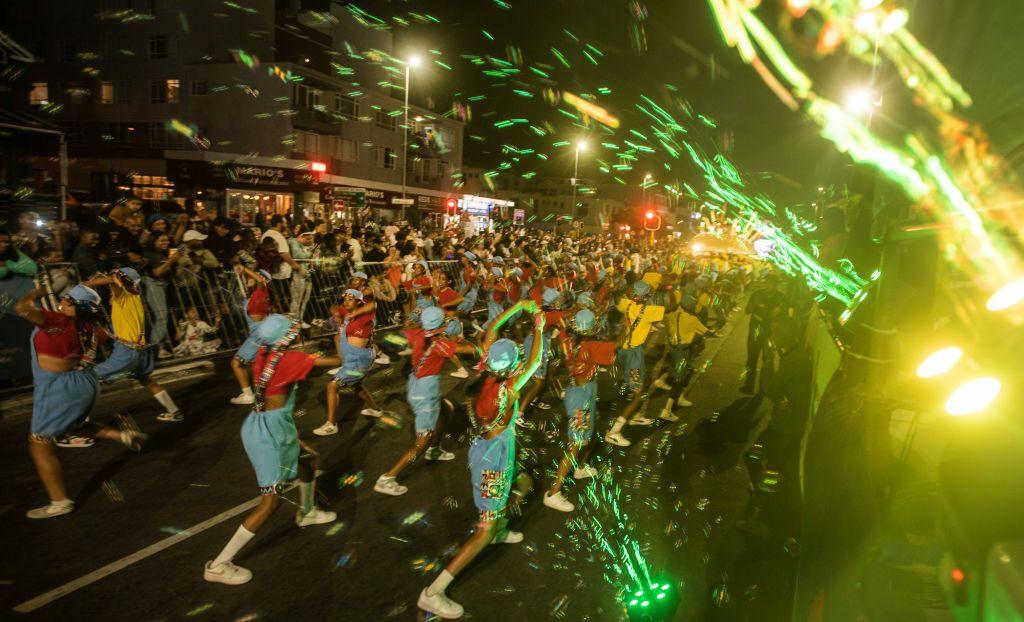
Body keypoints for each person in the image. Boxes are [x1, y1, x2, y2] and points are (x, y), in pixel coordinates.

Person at [417, 302, 545, 619]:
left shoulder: (489, 373)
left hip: (490, 447)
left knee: (516, 483)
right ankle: (433, 592)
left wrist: (519, 307)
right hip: (494, 459)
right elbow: (537, 359)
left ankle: (499, 528)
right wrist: (538, 327)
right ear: (511, 367)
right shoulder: (510, 390)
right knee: (482, 530)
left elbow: (493, 328)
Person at [203, 315, 339, 585]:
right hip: (269, 435)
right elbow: (339, 361)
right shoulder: (291, 360)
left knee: (308, 461)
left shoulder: (266, 353)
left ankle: (308, 511)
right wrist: (345, 337)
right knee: (270, 502)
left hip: (266, 423)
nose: (296, 332)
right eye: (292, 330)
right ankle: (218, 565)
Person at [15, 283, 146, 519]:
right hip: (87, 382)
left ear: (77, 306)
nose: (62, 301)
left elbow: (22, 308)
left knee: (39, 442)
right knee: (75, 426)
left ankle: (59, 501)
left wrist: (36, 292)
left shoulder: (58, 322)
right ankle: (123, 436)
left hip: (59, 387)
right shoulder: (91, 327)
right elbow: (111, 337)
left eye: (67, 299)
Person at [374, 307, 477, 496]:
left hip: (417, 384)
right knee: (422, 440)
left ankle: (435, 450)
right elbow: (468, 349)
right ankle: (388, 478)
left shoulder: (417, 333)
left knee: (447, 409)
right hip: (425, 393)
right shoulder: (439, 344)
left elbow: (392, 337)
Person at [86, 267, 184, 422]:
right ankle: (174, 411)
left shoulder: (123, 296)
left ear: (121, 282)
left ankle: (79, 420)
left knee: (85, 377)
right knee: (147, 380)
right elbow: (115, 287)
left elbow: (113, 283)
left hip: (126, 352)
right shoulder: (135, 296)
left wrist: (91, 282)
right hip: (142, 352)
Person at [543, 309, 616, 513]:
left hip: (582, 390)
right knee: (575, 444)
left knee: (592, 428)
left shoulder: (567, 339)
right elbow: (617, 348)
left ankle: (581, 468)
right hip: (581, 397)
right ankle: (554, 492)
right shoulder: (591, 346)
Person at [604, 279, 667, 447]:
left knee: (640, 383)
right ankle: (614, 431)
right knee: (637, 392)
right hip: (633, 355)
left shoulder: (628, 305)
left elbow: (618, 299)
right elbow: (671, 306)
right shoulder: (648, 311)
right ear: (647, 295)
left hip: (624, 351)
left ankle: (635, 415)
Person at [313, 288, 382, 436]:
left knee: (332, 386)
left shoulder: (365, 314)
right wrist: (337, 314)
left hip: (359, 361)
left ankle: (331, 424)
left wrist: (355, 313)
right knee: (357, 385)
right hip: (352, 360)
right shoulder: (345, 313)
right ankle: (375, 410)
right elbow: (335, 309)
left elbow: (374, 304)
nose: (346, 301)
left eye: (351, 299)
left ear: (359, 301)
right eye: (345, 299)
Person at [230, 265, 274, 405]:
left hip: (257, 336)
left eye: (252, 277)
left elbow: (261, 281)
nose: (249, 278)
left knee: (236, 363)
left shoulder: (261, 291)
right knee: (254, 365)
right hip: (262, 334)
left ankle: (248, 395)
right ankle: (267, 388)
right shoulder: (256, 295)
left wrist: (244, 269)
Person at [741, 273, 785, 394]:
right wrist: (754, 305)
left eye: (772, 282)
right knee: (752, 359)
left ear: (776, 284)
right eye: (768, 281)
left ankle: (764, 388)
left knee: (768, 360)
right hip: (756, 329)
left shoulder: (781, 297)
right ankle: (749, 385)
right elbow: (747, 311)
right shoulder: (757, 294)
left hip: (770, 331)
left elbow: (782, 316)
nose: (769, 284)